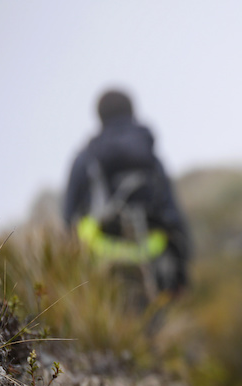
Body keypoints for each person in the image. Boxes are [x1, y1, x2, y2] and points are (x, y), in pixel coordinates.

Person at [64, 89, 191, 298]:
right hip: (151, 255)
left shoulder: (86, 159)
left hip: (101, 261)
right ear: (133, 112)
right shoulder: (151, 158)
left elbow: (68, 217)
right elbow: (172, 214)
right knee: (155, 322)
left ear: (99, 117)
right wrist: (181, 269)